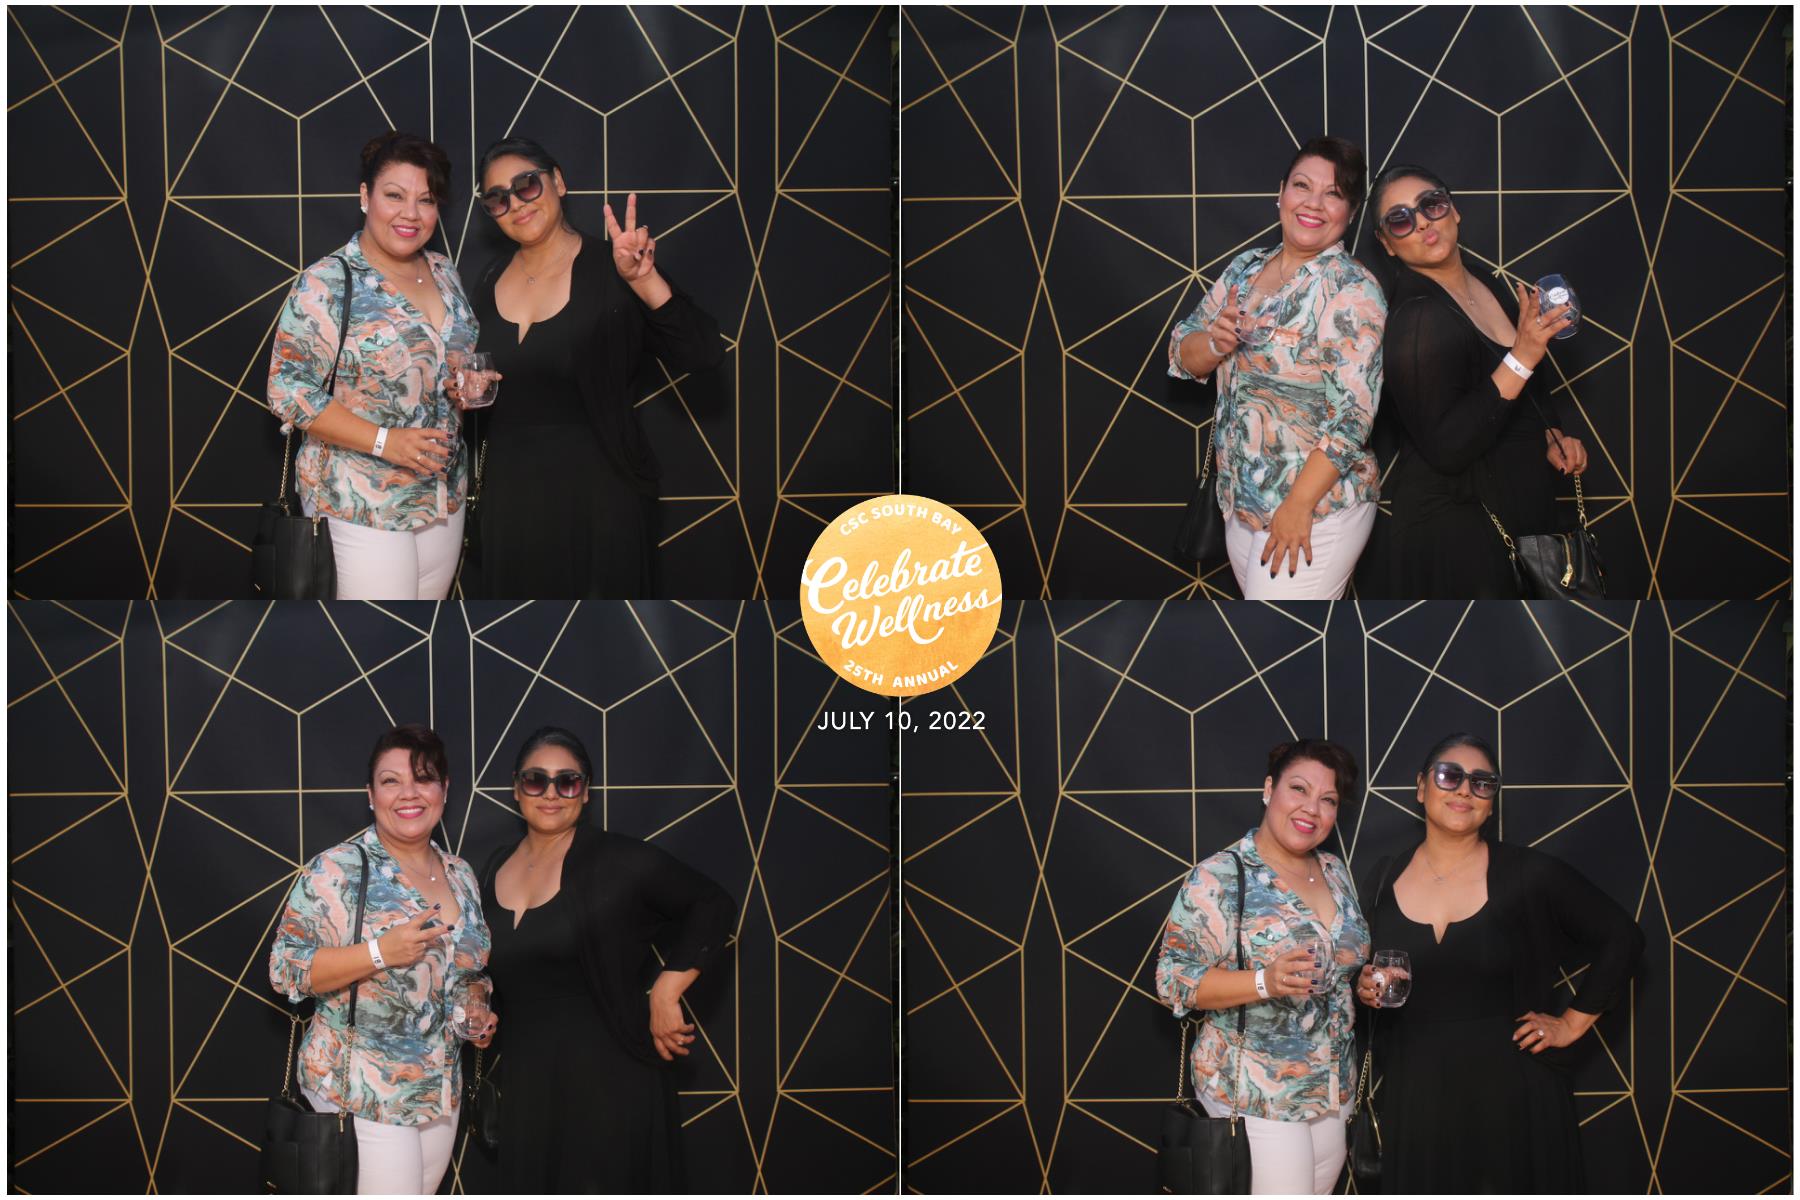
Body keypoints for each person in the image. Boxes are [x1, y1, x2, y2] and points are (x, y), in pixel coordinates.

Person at [1354, 733, 1644, 1192]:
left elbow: (1622, 936)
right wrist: (1364, 985)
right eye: (1449, 776)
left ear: (1491, 804)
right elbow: (1359, 970)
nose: (1465, 790)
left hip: (1516, 1098)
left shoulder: (1528, 873)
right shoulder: (1383, 878)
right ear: (1421, 787)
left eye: (1482, 782)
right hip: (1418, 1096)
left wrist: (1571, 1023)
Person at [462, 137, 725, 598]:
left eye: (527, 185)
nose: (515, 204)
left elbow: (701, 353)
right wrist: (464, 390)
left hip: (601, 501)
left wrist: (644, 279)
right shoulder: (486, 281)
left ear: (558, 182)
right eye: (497, 198)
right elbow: (485, 390)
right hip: (510, 504)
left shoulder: (616, 267)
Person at [479, 726, 736, 1191]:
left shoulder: (616, 859)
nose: (551, 793)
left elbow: (712, 904)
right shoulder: (493, 866)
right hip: (528, 1086)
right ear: (516, 789)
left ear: (585, 792)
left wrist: (666, 989)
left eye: (567, 781)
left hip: (611, 1084)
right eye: (536, 780)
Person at [268, 724, 494, 1195]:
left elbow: (467, 969)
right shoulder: (339, 869)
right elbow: (285, 969)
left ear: (444, 789)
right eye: (391, 781)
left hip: (440, 1093)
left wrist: (474, 1006)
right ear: (371, 795)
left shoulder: (461, 874)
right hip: (362, 1090)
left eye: (423, 778)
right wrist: (379, 953)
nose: (408, 793)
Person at [1354, 164, 1590, 597]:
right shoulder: (1417, 318)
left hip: (1519, 512)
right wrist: (1522, 355)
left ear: (1454, 210)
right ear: (1387, 243)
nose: (1422, 222)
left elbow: (1526, 385)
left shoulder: (1484, 281)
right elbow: (1448, 447)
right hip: (1458, 531)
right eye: (1400, 219)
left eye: (1431, 204)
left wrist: (1551, 434)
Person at [1168, 136, 1387, 599]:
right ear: (1281, 192)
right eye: (1302, 186)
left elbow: (1353, 418)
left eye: (1333, 194)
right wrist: (1216, 342)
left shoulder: (1351, 289)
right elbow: (1181, 352)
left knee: (1279, 638)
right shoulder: (1245, 269)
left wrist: (1298, 506)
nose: (1314, 203)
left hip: (1314, 510)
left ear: (1350, 212)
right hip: (1241, 505)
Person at [266, 132, 480, 600]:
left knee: (425, 635)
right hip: (361, 498)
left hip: (442, 496)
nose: (411, 213)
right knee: (377, 638)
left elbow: (444, 360)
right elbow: (287, 390)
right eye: (395, 195)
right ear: (365, 196)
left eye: (426, 200)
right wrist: (386, 441)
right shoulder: (327, 281)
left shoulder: (444, 271)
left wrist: (466, 382)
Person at [1155, 740, 1371, 1194]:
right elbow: (1173, 979)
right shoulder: (1221, 876)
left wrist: (1364, 981)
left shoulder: (1334, 870)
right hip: (1256, 1092)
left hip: (1333, 1092)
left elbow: (1339, 967)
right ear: (1269, 789)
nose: (1311, 808)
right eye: (1299, 789)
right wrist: (1264, 981)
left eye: (1328, 799)